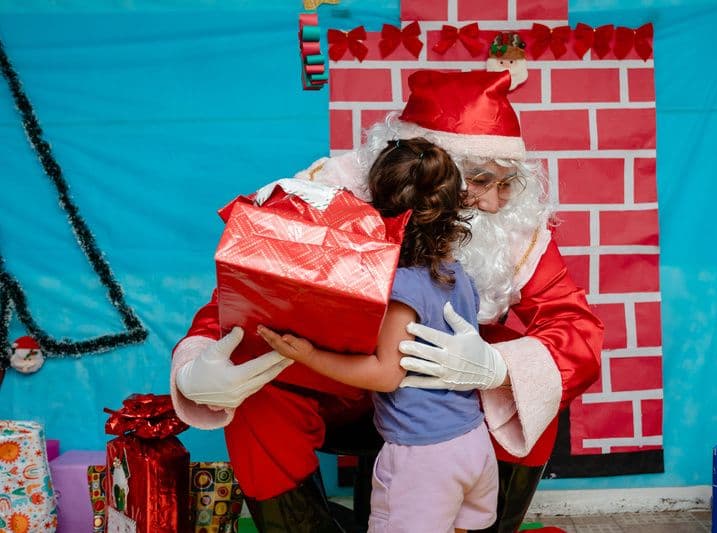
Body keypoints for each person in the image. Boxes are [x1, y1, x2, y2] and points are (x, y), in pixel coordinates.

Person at [170, 69, 604, 533]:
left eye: (507, 184)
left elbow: (576, 327)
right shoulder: (325, 194)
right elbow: (243, 295)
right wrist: (195, 368)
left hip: (441, 410)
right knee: (256, 391)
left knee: (530, 379)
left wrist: (497, 367)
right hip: (334, 389)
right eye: (481, 181)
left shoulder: (513, 232)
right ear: (431, 169)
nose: (497, 204)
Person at [257, 137, 497, 532]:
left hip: (423, 458)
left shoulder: (402, 289)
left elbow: (387, 374)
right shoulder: (459, 277)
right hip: (473, 442)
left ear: (378, 209)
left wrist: (309, 355)